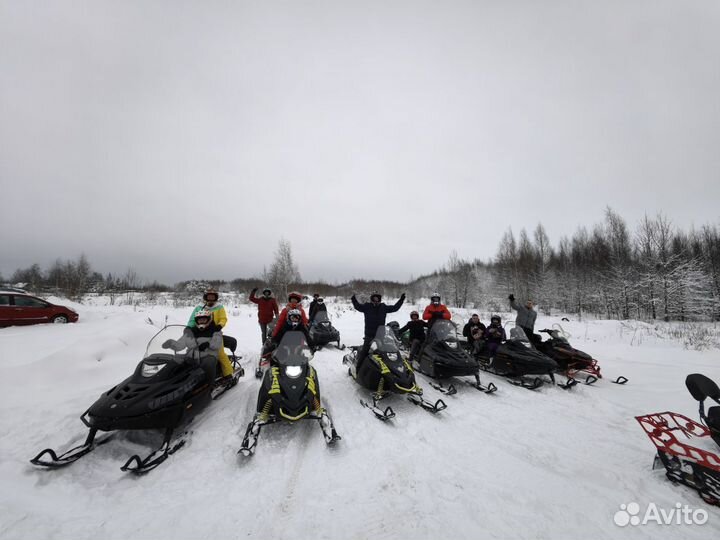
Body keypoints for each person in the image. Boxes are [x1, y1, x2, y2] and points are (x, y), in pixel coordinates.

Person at [162, 309, 225, 383]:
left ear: (208, 320)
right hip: (191, 356)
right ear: (196, 321)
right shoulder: (191, 332)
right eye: (199, 320)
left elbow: (217, 343)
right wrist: (171, 343)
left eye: (204, 320)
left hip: (208, 355)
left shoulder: (215, 330)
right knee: (174, 360)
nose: (201, 322)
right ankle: (165, 381)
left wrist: (208, 344)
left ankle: (209, 384)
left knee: (208, 363)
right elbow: (180, 344)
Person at [351, 291, 405, 369]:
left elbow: (395, 308)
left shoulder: (383, 307)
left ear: (379, 299)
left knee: (384, 352)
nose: (376, 300)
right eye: (374, 298)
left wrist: (401, 300)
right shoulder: (367, 306)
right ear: (372, 299)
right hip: (369, 334)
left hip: (381, 334)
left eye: (377, 299)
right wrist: (353, 299)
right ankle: (358, 368)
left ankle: (386, 369)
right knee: (365, 352)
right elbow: (358, 307)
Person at [187, 288, 233, 378]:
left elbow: (223, 318)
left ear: (215, 297)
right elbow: (192, 319)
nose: (211, 298)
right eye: (209, 296)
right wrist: (189, 328)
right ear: (206, 297)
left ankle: (228, 373)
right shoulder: (199, 307)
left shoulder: (219, 307)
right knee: (192, 352)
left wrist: (219, 326)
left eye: (213, 296)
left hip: (215, 333)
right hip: (200, 332)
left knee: (220, 354)